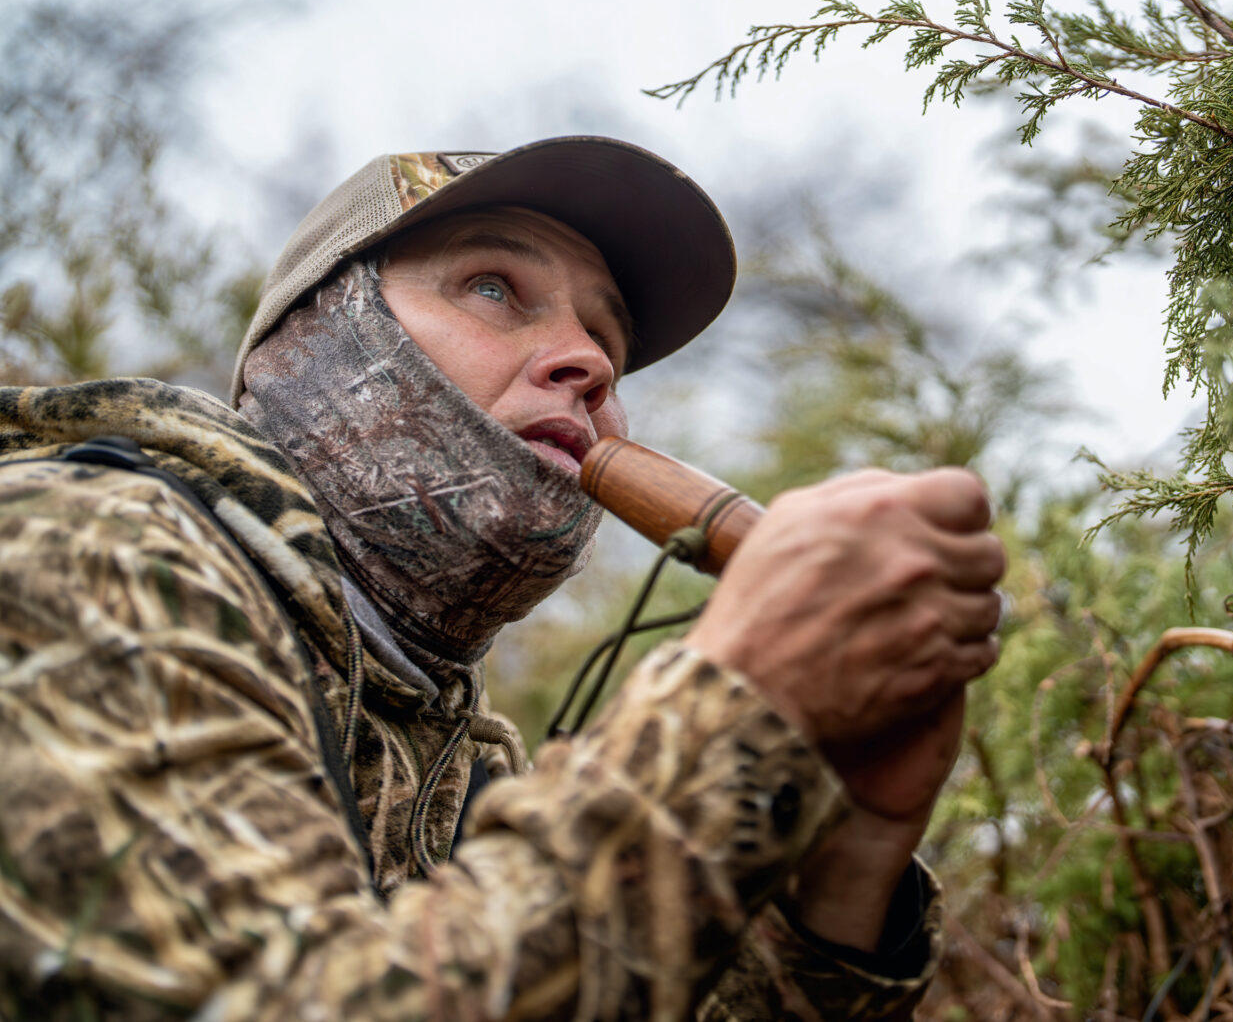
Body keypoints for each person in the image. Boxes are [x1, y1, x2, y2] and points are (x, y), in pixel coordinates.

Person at [0, 136, 1005, 1020]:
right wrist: (737, 706)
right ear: (319, 334)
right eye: (491, 287)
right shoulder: (85, 543)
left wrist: (834, 873)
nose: (589, 363)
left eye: (607, 339)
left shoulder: (473, 776)